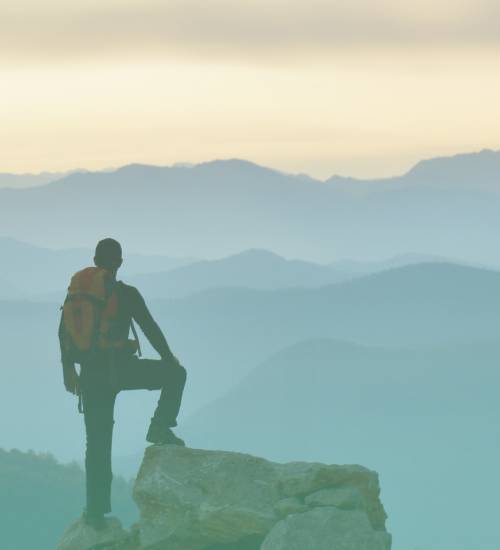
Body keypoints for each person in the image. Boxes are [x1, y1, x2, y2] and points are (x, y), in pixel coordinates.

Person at [59, 238, 187, 530]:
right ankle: (159, 426)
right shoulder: (127, 294)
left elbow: (62, 331)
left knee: (97, 444)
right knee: (177, 376)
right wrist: (169, 359)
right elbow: (150, 328)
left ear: (94, 260)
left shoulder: (77, 295)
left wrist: (69, 370)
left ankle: (95, 511)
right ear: (119, 262)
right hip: (122, 369)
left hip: (91, 375)